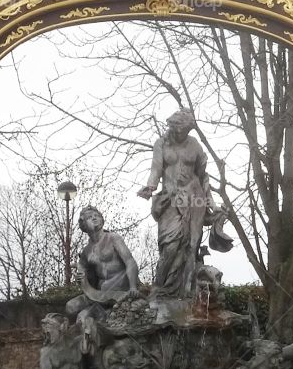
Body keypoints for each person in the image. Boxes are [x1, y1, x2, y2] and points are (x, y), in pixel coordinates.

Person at [137, 108, 216, 299]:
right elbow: (156, 168)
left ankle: (187, 293)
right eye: (179, 128)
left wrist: (210, 200)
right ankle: (160, 288)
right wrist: (150, 186)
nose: (182, 133)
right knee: (170, 245)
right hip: (170, 199)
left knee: (191, 245)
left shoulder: (195, 145)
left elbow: (203, 175)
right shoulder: (161, 144)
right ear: (173, 125)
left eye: (186, 130)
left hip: (194, 197)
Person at [65, 206, 140, 324]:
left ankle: (99, 314)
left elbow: (130, 261)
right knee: (70, 306)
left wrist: (133, 287)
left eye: (97, 216)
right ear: (83, 225)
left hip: (119, 288)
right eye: (90, 217)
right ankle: (99, 312)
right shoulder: (86, 251)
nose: (94, 218)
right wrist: (81, 278)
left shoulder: (113, 238)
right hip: (99, 293)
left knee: (83, 317)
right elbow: (86, 276)